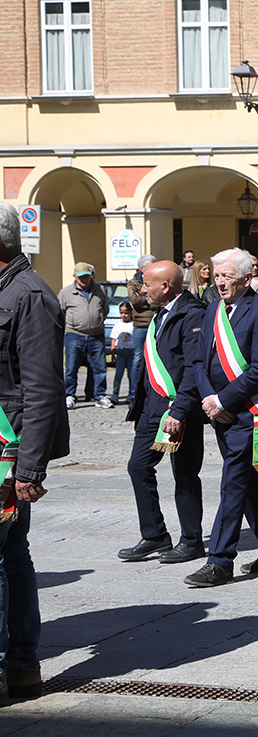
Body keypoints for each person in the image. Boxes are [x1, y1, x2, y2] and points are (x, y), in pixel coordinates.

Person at [0, 203, 71, 704]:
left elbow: (43, 390)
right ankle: (21, 663)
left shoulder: (30, 296)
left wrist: (28, 466)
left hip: (7, 445)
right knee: (10, 555)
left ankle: (17, 663)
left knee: (8, 556)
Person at [186, 248, 258, 587]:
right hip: (220, 414)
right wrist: (211, 400)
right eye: (217, 275)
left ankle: (220, 560)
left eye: (227, 275)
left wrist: (224, 399)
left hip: (249, 414)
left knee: (233, 485)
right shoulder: (213, 308)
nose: (220, 281)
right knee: (249, 486)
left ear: (245, 277)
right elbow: (199, 362)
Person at [119, 260, 208, 565]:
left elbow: (193, 369)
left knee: (183, 473)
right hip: (151, 411)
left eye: (146, 284)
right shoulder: (161, 313)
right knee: (138, 466)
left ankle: (191, 540)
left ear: (165, 287)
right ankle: (155, 534)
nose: (142, 290)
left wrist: (180, 410)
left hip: (178, 411)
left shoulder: (191, 314)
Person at [59, 262, 110, 409]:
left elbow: (104, 309)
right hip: (74, 334)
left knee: (99, 368)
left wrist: (97, 321)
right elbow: (60, 312)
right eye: (81, 277)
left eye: (87, 276)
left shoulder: (100, 290)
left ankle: (99, 395)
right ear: (74, 276)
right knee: (71, 368)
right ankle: (69, 395)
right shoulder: (66, 292)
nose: (85, 279)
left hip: (96, 334)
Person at [127, 254, 156, 395]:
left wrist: (143, 298)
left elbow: (158, 299)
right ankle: (134, 393)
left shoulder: (156, 280)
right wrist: (149, 300)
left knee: (155, 358)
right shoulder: (133, 283)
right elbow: (134, 300)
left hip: (155, 323)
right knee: (138, 359)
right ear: (141, 268)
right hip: (140, 325)